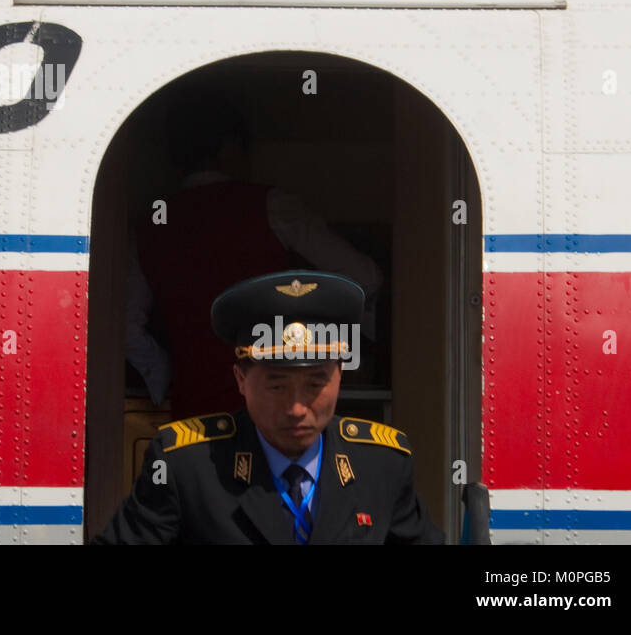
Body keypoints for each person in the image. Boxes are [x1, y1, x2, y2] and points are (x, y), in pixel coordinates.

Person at [96, 270, 443, 544]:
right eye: (276, 385)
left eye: (315, 384)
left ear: (339, 376)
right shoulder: (186, 466)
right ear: (240, 379)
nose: (295, 408)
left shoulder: (382, 464)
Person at [127, 89, 383, 417]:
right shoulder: (272, 206)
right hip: (276, 410)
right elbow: (366, 277)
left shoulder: (149, 226)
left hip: (192, 408)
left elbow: (128, 327)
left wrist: (164, 375)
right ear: (230, 147)